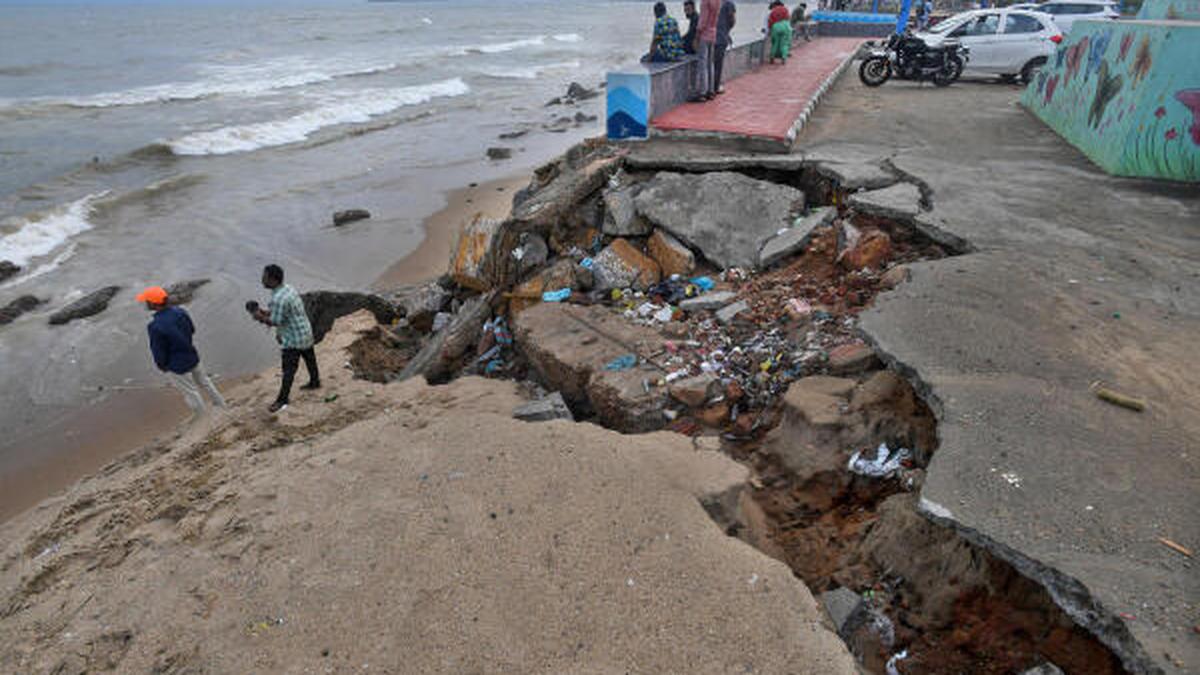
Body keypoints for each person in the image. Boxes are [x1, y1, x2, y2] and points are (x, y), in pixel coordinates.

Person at [137, 286, 226, 419]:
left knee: (190, 391)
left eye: (147, 301)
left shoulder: (154, 326)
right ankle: (221, 404)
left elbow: (158, 351)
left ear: (154, 303)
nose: (145, 303)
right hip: (192, 355)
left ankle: (202, 417)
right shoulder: (181, 311)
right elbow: (192, 329)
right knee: (205, 382)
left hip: (176, 365)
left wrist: (162, 366)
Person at [252, 264, 318, 413]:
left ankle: (282, 400)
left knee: (288, 370)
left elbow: (276, 321)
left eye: (265, 276)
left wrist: (259, 317)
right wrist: (265, 312)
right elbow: (282, 312)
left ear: (273, 280)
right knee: (310, 358)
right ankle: (315, 382)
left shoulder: (278, 299)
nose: (262, 279)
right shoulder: (288, 288)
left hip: (293, 338)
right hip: (305, 331)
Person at [689, 0, 721, 101]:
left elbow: (702, 21)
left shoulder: (705, 1)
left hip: (704, 35)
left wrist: (696, 37)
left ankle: (702, 93)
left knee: (702, 64)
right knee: (710, 64)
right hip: (713, 34)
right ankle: (710, 91)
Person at [713, 0, 737, 95]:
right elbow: (732, 21)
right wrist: (726, 31)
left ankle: (710, 86)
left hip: (710, 37)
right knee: (718, 64)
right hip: (721, 38)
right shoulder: (729, 3)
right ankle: (716, 86)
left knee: (710, 64)